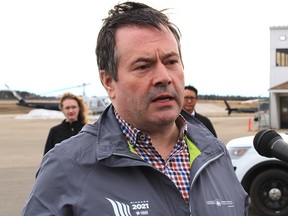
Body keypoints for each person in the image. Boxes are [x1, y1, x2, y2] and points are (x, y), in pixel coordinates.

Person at [21, 2, 248, 215]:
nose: (164, 77)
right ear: (109, 82)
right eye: (143, 66)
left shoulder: (215, 154)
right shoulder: (66, 166)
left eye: (171, 62)